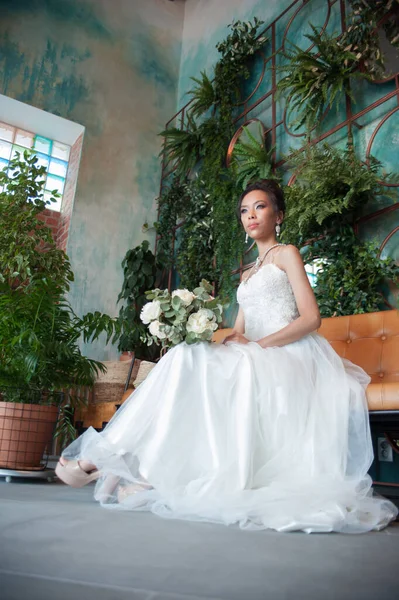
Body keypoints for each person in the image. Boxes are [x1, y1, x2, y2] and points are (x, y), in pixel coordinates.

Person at [56, 179, 398, 533]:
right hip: (256, 353)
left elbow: (311, 319)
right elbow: (240, 330)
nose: (251, 215)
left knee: (189, 362)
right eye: (244, 210)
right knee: (184, 355)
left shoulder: (286, 253)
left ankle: (118, 463)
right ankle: (132, 464)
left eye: (260, 207)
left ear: (278, 215)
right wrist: (213, 340)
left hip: (291, 355)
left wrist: (256, 347)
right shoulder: (248, 273)